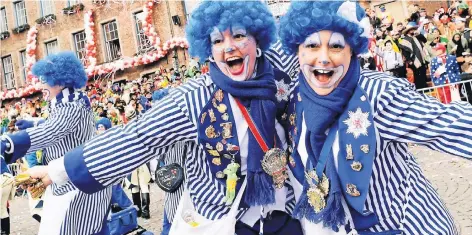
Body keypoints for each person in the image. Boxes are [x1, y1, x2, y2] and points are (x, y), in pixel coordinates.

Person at [27, 2, 301, 234]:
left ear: (257, 38)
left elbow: (313, 35)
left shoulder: (277, 72)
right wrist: (58, 171)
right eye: (218, 40)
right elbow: (135, 139)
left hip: (285, 216)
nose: (229, 47)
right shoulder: (194, 98)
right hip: (226, 223)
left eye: (239, 36)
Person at [278, 1, 471, 234]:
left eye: (336, 46)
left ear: (352, 50)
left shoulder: (376, 94)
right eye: (312, 46)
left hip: (407, 227)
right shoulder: (293, 99)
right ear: (297, 50)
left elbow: (450, 124)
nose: (324, 58)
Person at [0, 51, 111, 235]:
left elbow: (53, 130)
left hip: (79, 182)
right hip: (66, 178)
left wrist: (9, 142)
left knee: (82, 229)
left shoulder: (71, 103)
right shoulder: (63, 101)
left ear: (59, 81)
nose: (40, 85)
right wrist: (35, 123)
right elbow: (60, 126)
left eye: (44, 79)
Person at [400, 22, 428, 89]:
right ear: (408, 31)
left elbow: (425, 40)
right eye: (411, 30)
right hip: (413, 60)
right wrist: (409, 60)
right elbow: (405, 51)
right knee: (416, 76)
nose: (412, 31)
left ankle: (425, 88)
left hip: (421, 58)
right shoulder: (405, 40)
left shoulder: (417, 36)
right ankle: (419, 89)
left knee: (423, 74)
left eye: (413, 29)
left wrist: (419, 34)